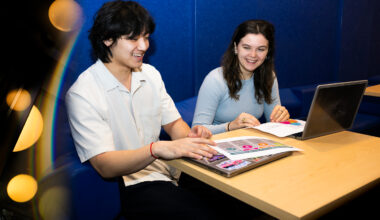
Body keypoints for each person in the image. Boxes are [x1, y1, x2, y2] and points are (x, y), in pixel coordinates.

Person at [65, 1, 218, 219]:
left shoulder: (151, 74)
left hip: (173, 169)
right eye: (133, 38)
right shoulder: (83, 92)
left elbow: (174, 124)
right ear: (107, 38)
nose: (144, 46)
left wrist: (191, 137)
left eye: (145, 37)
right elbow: (105, 165)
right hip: (130, 184)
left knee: (237, 200)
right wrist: (155, 149)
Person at [192, 19, 290, 134]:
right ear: (235, 47)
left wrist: (281, 118)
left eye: (260, 49)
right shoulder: (215, 79)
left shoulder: (269, 77)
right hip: (216, 146)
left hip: (250, 145)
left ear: (268, 52)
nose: (253, 55)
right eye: (247, 47)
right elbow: (196, 131)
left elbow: (273, 123)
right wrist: (230, 126)